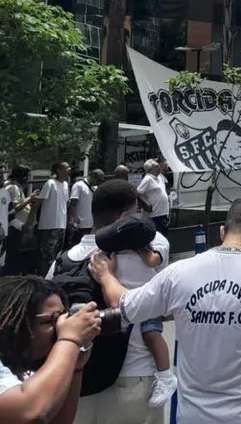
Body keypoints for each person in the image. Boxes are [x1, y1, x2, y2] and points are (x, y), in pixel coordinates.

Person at [88, 197, 241, 423]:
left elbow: (125, 305)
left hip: (195, 416)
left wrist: (106, 276)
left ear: (222, 231)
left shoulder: (180, 273)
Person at [52, 179, 175, 422]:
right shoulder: (145, 255)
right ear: (125, 218)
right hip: (132, 377)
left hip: (78, 378)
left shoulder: (64, 260)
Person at [0, 276, 102, 424]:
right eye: (51, 320)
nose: (61, 326)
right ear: (13, 325)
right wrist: (69, 339)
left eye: (63, 317)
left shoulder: (27, 370)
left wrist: (75, 367)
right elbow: (30, 411)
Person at [35, 162, 71, 276]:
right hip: (48, 226)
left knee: (57, 255)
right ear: (59, 170)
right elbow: (39, 202)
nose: (69, 169)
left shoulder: (65, 184)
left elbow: (66, 203)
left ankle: (52, 278)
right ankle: (43, 279)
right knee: (46, 256)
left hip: (61, 226)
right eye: (66, 168)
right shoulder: (50, 183)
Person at [2, 167, 34, 275]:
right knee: (12, 256)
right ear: (22, 177)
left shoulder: (15, 187)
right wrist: (30, 199)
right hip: (14, 226)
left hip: (16, 226)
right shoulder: (13, 188)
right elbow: (15, 208)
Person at [68, 169, 103, 246]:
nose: (99, 182)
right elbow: (73, 203)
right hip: (80, 225)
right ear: (93, 176)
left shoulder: (94, 188)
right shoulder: (79, 185)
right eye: (98, 179)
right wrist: (73, 219)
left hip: (91, 225)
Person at [136, 160, 170, 236]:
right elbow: (138, 192)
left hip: (163, 213)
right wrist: (146, 204)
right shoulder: (148, 179)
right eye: (157, 166)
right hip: (154, 214)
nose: (159, 167)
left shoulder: (160, 177)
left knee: (164, 234)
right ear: (151, 169)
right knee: (156, 236)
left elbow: (166, 170)